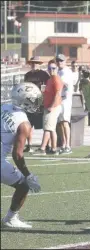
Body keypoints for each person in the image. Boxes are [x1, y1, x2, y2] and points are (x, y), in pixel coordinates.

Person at [1, 82, 42, 228]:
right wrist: (28, 175)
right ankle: (11, 218)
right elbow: (17, 154)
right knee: (24, 185)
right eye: (33, 100)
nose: (36, 103)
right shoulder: (24, 123)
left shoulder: (4, 107)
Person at [33, 59, 63, 156]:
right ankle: (53, 149)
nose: (51, 70)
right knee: (51, 128)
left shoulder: (56, 79)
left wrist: (51, 106)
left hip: (53, 107)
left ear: (57, 68)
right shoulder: (50, 79)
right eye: (50, 68)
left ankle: (42, 149)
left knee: (48, 128)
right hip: (49, 106)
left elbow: (58, 94)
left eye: (53, 68)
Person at [23, 56, 50, 153]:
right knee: (29, 125)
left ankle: (47, 145)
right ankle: (29, 145)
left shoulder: (44, 74)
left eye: (36, 63)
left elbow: (48, 87)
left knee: (45, 125)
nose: (34, 64)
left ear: (39, 64)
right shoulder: (27, 75)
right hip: (30, 103)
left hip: (41, 103)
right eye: (33, 63)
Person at [56, 54, 74, 154]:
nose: (59, 62)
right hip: (59, 99)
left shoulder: (66, 71)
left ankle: (67, 145)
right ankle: (63, 144)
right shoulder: (58, 71)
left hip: (65, 99)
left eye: (61, 61)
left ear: (65, 61)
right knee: (60, 123)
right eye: (58, 61)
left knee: (65, 122)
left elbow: (63, 84)